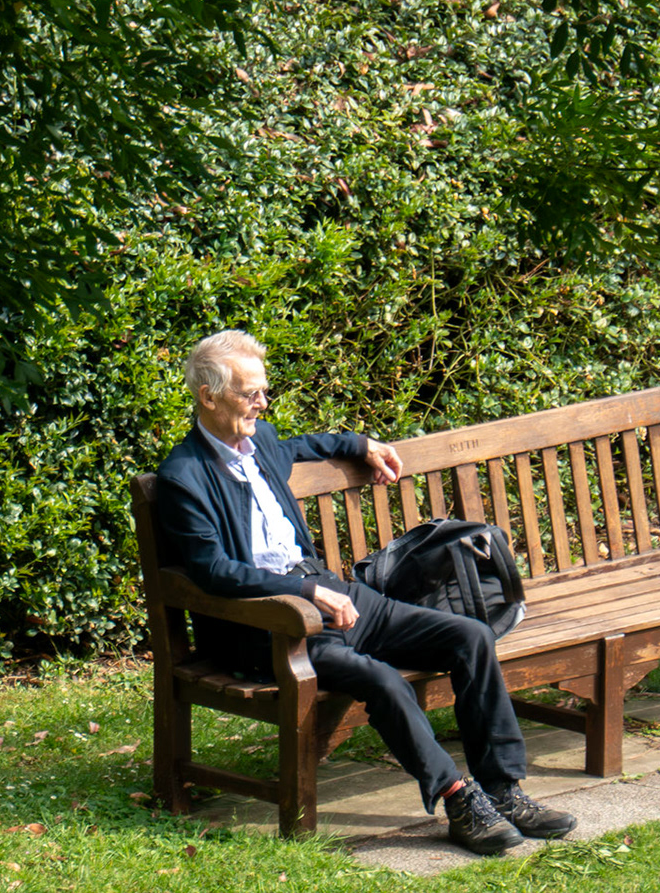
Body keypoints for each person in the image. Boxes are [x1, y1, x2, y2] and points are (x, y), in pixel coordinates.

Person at [152, 330, 576, 854]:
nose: (262, 403)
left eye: (264, 391)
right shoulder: (184, 477)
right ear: (209, 396)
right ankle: (458, 799)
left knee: (470, 637)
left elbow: (302, 447)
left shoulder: (259, 442)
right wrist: (305, 590)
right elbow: (213, 570)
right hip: (267, 625)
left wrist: (361, 445)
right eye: (250, 393)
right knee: (380, 679)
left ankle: (504, 790)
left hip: (332, 596)